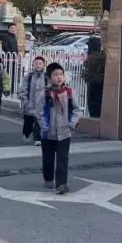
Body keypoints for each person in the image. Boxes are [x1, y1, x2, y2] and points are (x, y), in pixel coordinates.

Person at [38, 62, 84, 193]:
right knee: (48, 159)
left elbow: (76, 110)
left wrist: (72, 124)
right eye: (55, 74)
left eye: (61, 74)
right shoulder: (44, 94)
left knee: (62, 159)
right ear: (49, 77)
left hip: (64, 132)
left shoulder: (69, 92)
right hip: (48, 133)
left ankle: (61, 184)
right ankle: (48, 179)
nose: (59, 77)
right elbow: (39, 112)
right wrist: (44, 126)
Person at [21, 54, 48, 141]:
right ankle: (26, 134)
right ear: (33, 64)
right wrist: (25, 101)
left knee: (39, 122)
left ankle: (37, 139)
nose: (38, 65)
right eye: (36, 63)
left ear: (43, 65)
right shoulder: (28, 76)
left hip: (41, 105)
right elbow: (23, 90)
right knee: (28, 123)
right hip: (30, 104)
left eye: (40, 64)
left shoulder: (47, 77)